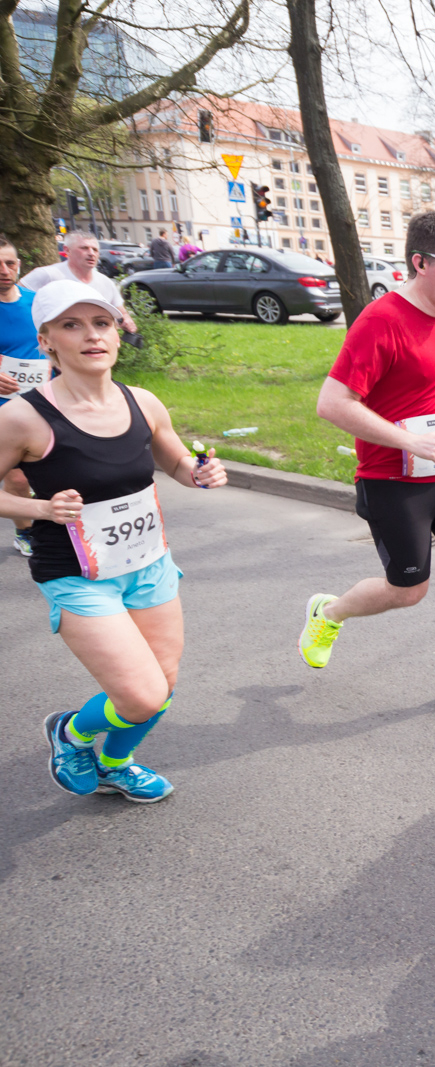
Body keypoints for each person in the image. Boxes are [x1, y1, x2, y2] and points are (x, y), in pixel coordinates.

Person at [0, 280, 226, 802]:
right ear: (47, 340)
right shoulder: (24, 417)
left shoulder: (142, 402)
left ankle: (114, 763)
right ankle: (70, 733)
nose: (91, 336)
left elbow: (174, 462)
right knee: (140, 694)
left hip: (149, 563)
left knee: (162, 685)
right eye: (72, 325)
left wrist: (201, 473)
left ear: (117, 333)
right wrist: (40, 509)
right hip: (77, 575)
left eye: (101, 323)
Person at [297, 211, 435, 710]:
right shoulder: (381, 322)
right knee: (408, 591)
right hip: (392, 480)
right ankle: (329, 613)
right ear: (420, 262)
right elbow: (332, 403)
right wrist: (404, 441)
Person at [0, 234, 44, 557]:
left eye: (9, 263)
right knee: (16, 476)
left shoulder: (37, 301)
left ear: (19, 265)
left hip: (45, 400)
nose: (4, 270)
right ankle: (25, 532)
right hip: (5, 407)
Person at [20, 232, 138, 336]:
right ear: (67, 250)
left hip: (93, 347)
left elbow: (121, 313)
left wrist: (127, 321)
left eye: (95, 249)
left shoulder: (106, 282)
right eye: (84, 248)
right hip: (52, 350)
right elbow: (14, 300)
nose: (91, 253)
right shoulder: (47, 274)